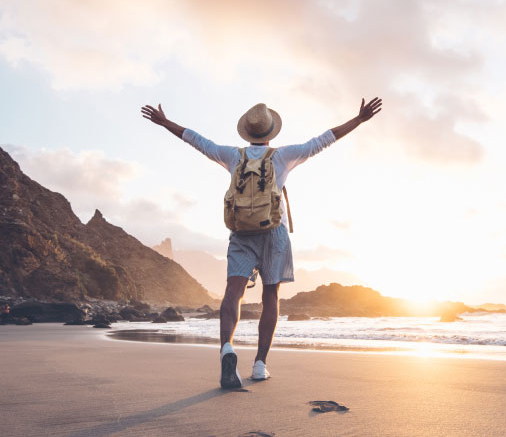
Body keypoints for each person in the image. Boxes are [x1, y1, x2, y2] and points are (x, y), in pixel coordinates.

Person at [141, 97, 382, 388]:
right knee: (270, 295)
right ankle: (259, 364)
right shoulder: (283, 156)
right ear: (270, 133)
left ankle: (227, 348)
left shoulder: (232, 156)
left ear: (247, 132)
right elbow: (323, 140)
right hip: (274, 233)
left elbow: (197, 140)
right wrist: (358, 120)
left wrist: (165, 122)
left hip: (242, 233)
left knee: (234, 291)